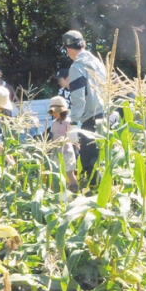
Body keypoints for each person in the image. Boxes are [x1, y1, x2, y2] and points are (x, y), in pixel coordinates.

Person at [62, 29, 106, 186]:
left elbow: (78, 98)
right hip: (107, 118)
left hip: (91, 121)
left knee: (90, 164)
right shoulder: (99, 64)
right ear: (84, 44)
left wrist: (74, 124)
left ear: (68, 49)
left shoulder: (76, 67)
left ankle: (96, 200)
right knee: (105, 162)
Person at [47, 96, 78, 193]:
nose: (55, 114)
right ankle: (59, 192)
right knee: (56, 173)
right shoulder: (53, 123)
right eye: (53, 112)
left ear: (62, 111)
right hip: (56, 152)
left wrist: (64, 140)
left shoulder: (68, 122)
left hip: (67, 151)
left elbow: (73, 137)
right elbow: (53, 137)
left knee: (69, 172)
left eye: (56, 112)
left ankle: (74, 191)